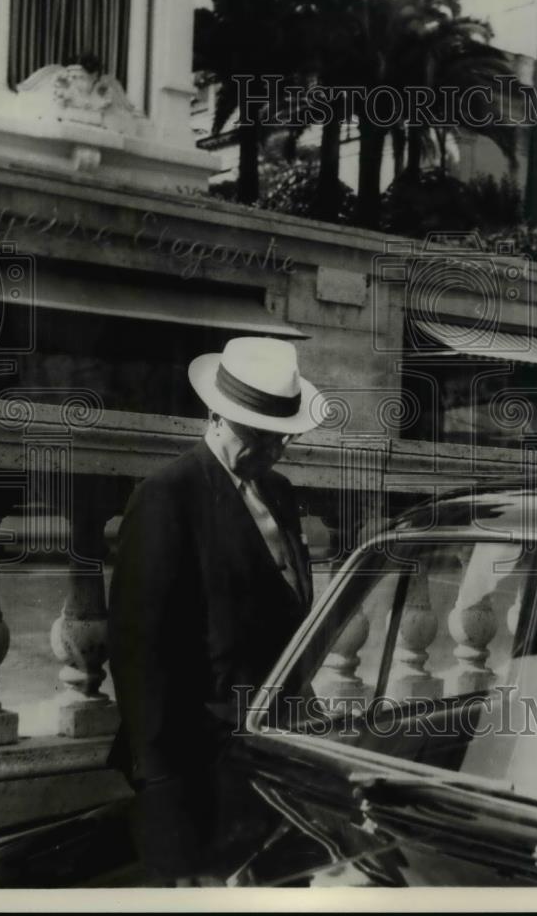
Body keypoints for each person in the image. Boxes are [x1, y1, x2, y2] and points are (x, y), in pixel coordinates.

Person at [107, 336, 320, 885]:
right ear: (217, 417)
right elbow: (140, 655)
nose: (274, 449)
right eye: (261, 435)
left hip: (279, 759)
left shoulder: (280, 491)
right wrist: (163, 794)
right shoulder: (167, 497)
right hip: (201, 770)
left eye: (283, 436)